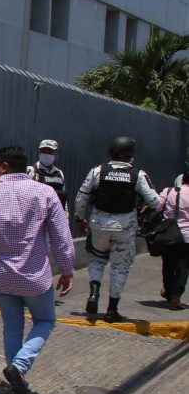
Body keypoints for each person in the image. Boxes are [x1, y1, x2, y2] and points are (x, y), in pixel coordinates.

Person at [0, 146, 75, 394]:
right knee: (46, 320)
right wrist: (67, 269)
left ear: (4, 166)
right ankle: (20, 366)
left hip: (0, 275)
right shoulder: (45, 194)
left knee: (12, 326)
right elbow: (62, 238)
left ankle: (18, 380)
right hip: (35, 277)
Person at [73, 136, 163, 322]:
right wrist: (143, 207)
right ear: (131, 154)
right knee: (119, 267)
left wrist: (80, 218)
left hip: (99, 223)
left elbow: (81, 198)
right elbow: (156, 201)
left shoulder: (98, 171)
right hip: (125, 226)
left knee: (97, 259)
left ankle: (94, 293)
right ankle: (112, 309)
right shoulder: (138, 174)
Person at [158, 171, 189, 310]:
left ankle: (169, 293)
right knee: (183, 266)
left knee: (168, 264)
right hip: (187, 236)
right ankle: (176, 296)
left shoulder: (168, 191)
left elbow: (157, 207)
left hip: (168, 234)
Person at [30, 139, 67, 211]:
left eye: (50, 152)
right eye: (43, 151)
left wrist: (65, 214)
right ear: (39, 151)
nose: (46, 154)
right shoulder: (32, 170)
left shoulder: (59, 173)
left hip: (55, 214)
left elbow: (63, 196)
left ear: (56, 153)